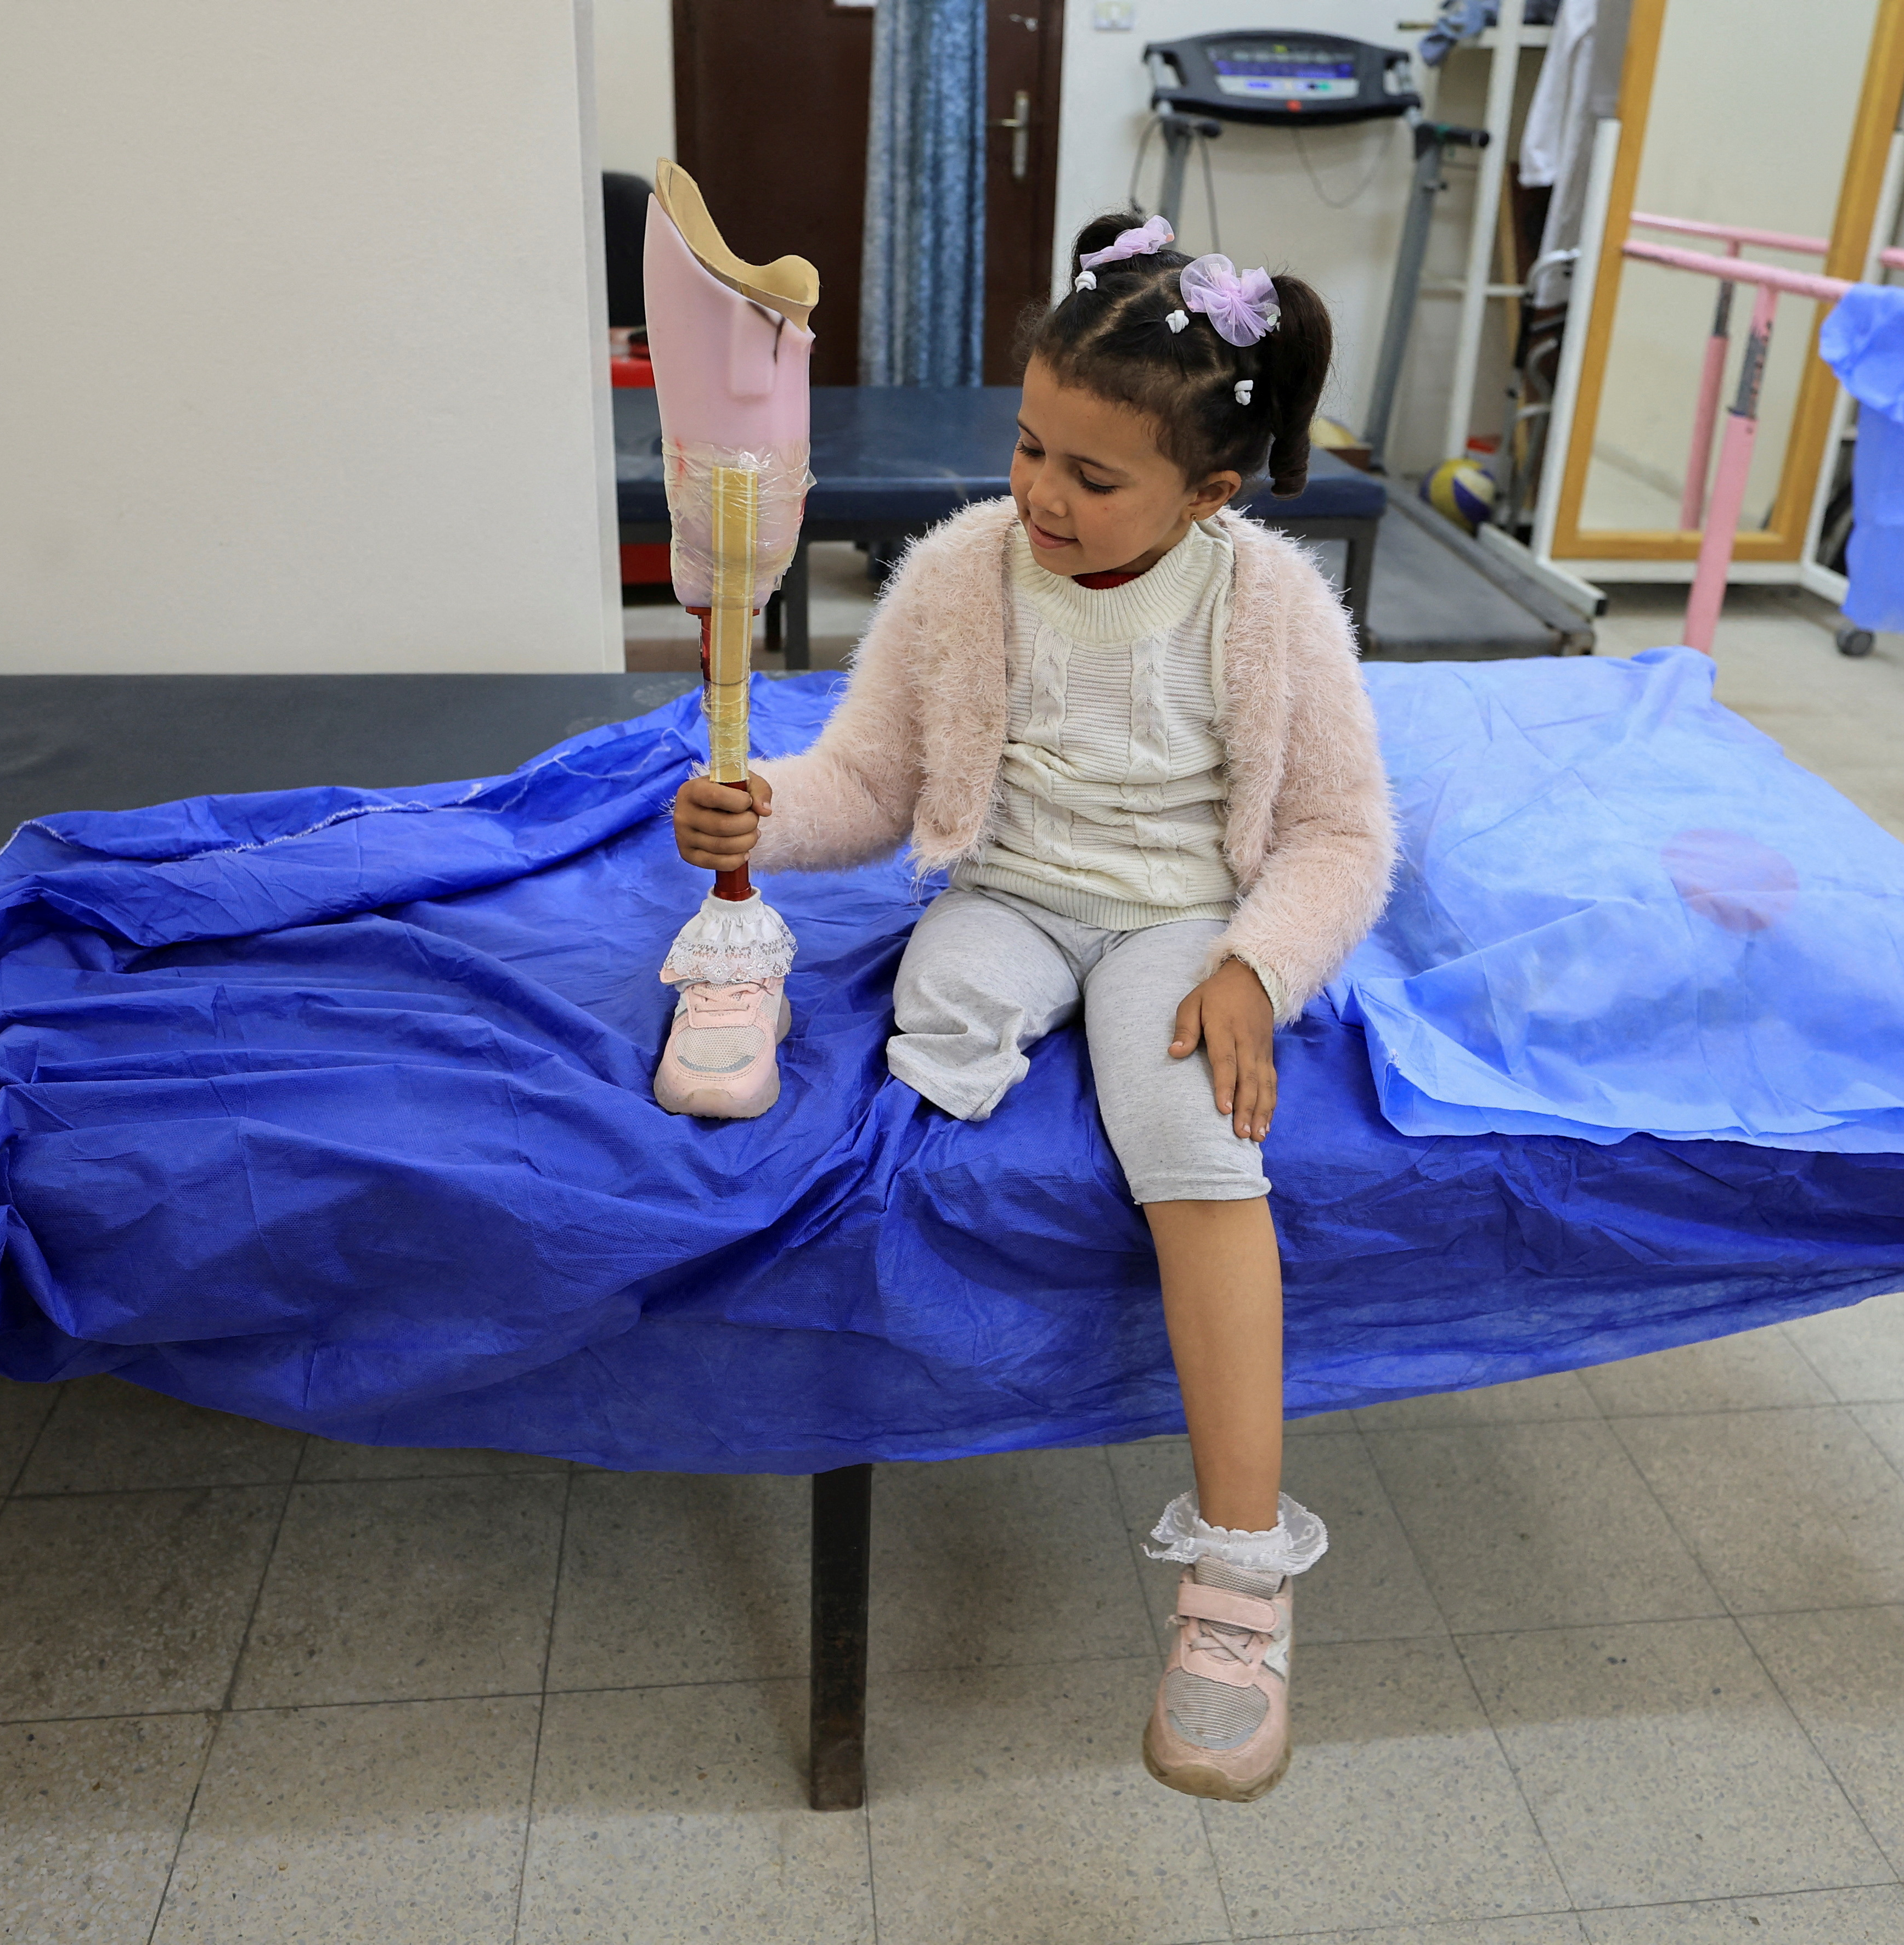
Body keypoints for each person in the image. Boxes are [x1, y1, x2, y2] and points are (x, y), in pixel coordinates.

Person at [671, 211, 1395, 1802]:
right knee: (936, 1023)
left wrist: (1254, 973)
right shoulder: (958, 574)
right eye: (1028, 446)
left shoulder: (1266, 606)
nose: (1041, 494)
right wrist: (760, 814)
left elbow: (1344, 835)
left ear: (1211, 491)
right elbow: (868, 777)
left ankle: (1239, 1580)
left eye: (1091, 474)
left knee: (1196, 1146)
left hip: (1176, 922)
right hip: (1005, 888)